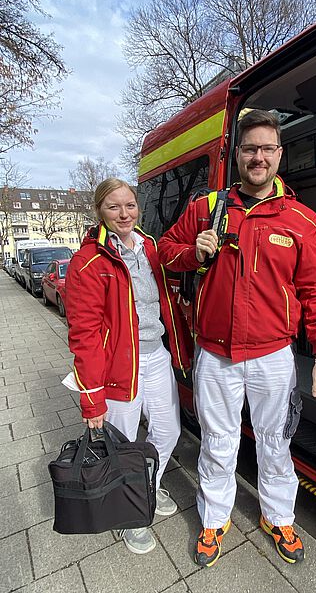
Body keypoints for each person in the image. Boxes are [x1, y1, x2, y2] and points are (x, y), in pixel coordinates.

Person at [158, 110, 316, 567]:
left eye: (266, 149)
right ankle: (214, 520)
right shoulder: (207, 207)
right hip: (214, 355)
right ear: (237, 154)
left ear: (280, 154)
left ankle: (278, 517)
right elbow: (164, 252)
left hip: (273, 355)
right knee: (218, 442)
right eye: (250, 148)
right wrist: (189, 252)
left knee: (275, 441)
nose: (258, 157)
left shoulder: (301, 219)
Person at [65, 177, 193, 555]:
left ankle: (146, 487)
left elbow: (174, 267)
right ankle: (126, 516)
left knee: (168, 431)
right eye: (114, 207)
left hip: (156, 356)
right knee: (120, 444)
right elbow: (84, 333)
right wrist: (91, 399)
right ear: (99, 212)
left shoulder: (150, 245)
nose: (124, 214)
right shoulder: (88, 261)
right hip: (118, 364)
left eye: (130, 205)